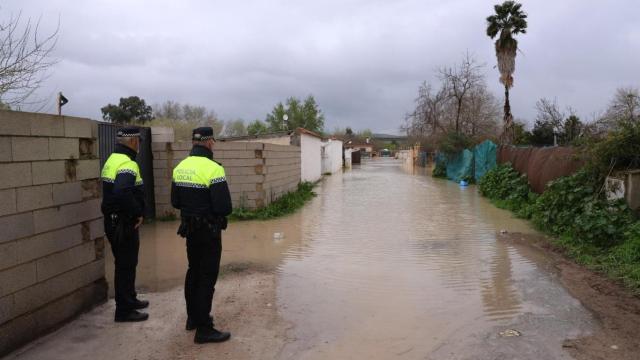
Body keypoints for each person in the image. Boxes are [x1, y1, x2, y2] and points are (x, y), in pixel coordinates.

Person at [171, 127, 232, 344]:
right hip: (209, 231)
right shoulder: (214, 169)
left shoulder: (180, 167)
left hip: (190, 231)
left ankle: (193, 319)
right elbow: (224, 207)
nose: (213, 145)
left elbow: (175, 202)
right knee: (207, 276)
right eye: (213, 141)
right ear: (208, 142)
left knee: (193, 272)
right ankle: (204, 328)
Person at [100, 127, 149, 322]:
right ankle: (124, 310)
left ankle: (130, 299)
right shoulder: (127, 164)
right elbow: (122, 192)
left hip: (114, 220)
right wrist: (137, 212)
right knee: (125, 265)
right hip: (122, 222)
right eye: (139, 140)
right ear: (133, 141)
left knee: (127, 263)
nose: (140, 144)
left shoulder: (112, 159)